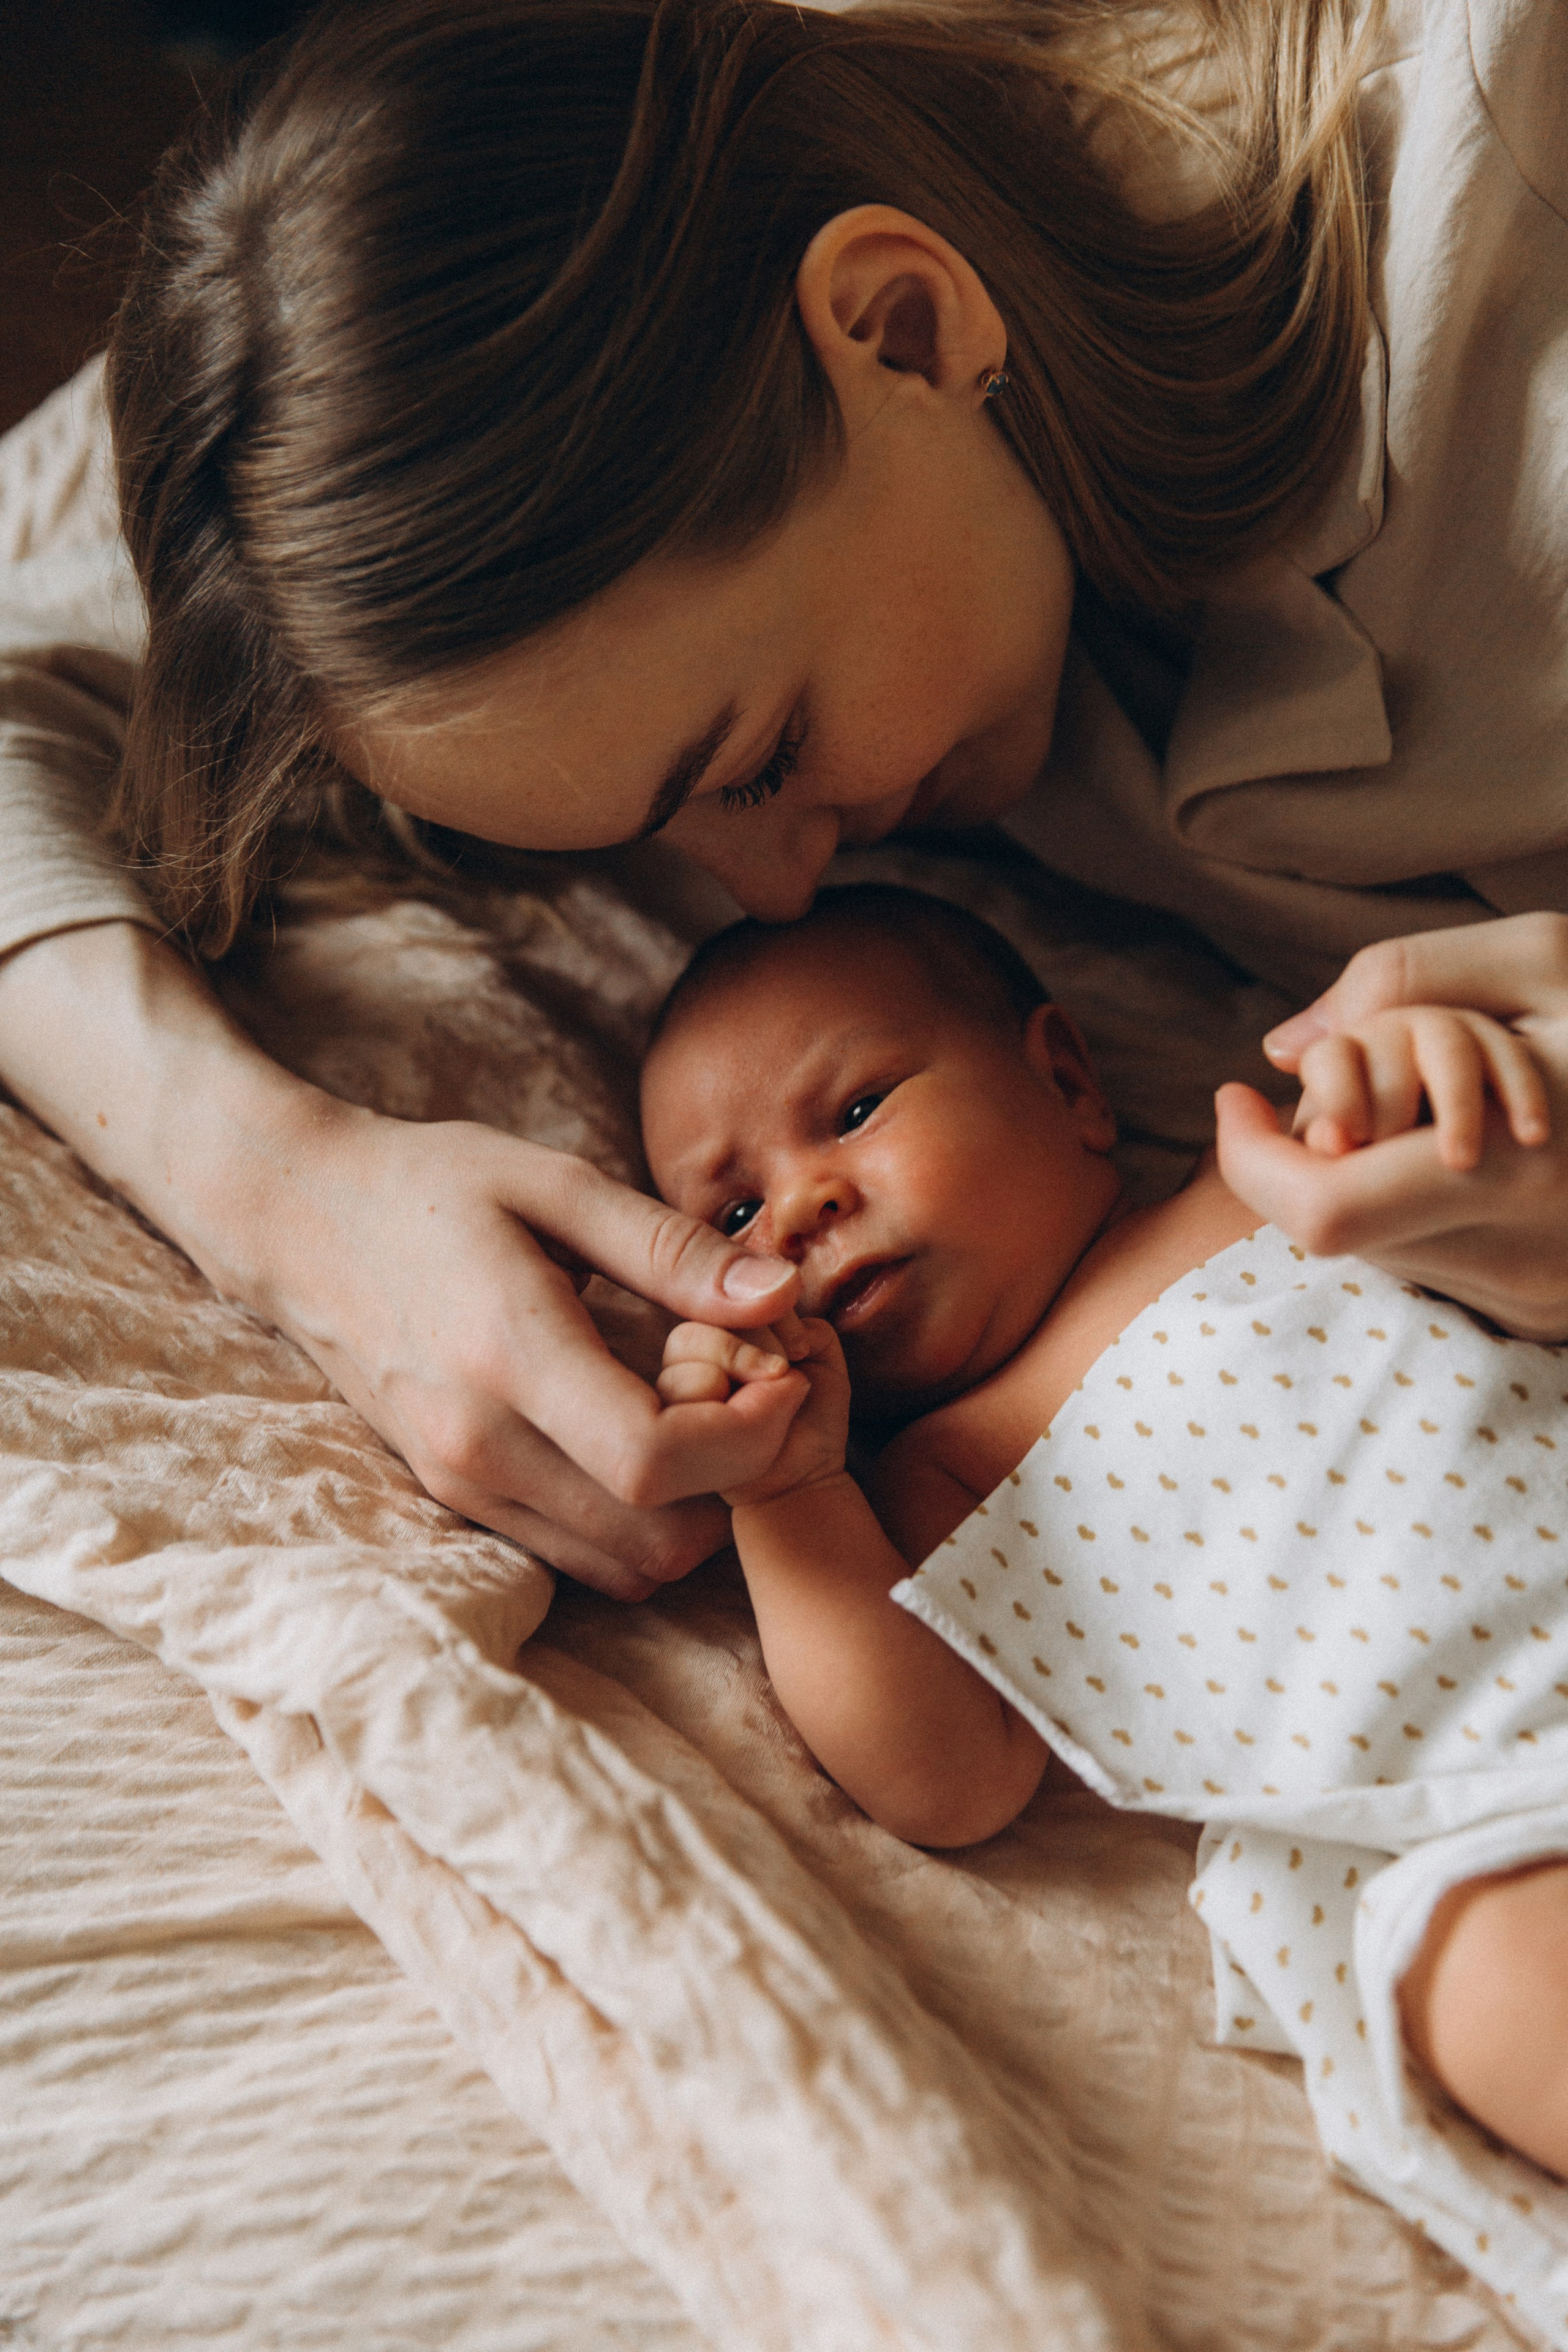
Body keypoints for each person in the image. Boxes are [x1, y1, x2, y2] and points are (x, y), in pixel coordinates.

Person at [2, 0, 1567, 1596]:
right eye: (634, 831)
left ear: (904, 328)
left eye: (754, 757)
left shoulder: (1500, 257)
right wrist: (282, 1191)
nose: (772, 893)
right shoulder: (441, 494)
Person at [638, 884, 1568, 2319]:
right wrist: (781, 1492)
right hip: (1440, 1814)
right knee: (1482, 1984)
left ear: (1066, 1081)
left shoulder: (1264, 1171)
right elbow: (944, 1781)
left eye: (858, 1108)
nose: (805, 1202)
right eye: (738, 1209)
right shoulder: (943, 1475)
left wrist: (1435, 1081)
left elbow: (1499, 1194)